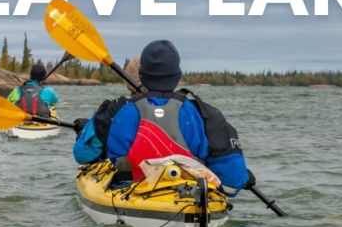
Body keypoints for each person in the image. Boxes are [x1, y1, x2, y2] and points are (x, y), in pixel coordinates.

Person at [71, 40, 254, 196]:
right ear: (178, 76)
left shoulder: (113, 112)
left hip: (131, 194)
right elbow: (233, 178)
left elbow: (83, 155)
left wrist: (86, 131)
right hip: (190, 196)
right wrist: (245, 177)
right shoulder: (204, 114)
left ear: (141, 76)